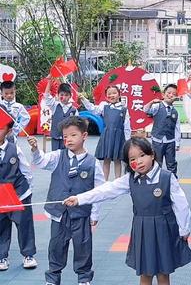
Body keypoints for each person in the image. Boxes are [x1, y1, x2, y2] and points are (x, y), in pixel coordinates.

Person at [64, 137, 191, 285]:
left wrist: (184, 228)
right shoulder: (130, 179)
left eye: (142, 156)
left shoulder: (167, 178)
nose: (138, 161)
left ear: (152, 155)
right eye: (132, 158)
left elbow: (181, 204)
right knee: (145, 272)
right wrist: (79, 199)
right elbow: (106, 190)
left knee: (163, 272)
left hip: (164, 229)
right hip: (142, 230)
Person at [27, 116, 104, 285]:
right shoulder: (57, 156)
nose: (68, 139)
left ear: (84, 136)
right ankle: (53, 277)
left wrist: (94, 214)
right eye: (65, 136)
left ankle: (84, 278)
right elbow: (41, 161)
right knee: (56, 245)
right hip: (59, 214)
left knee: (83, 247)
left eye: (73, 135)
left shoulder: (93, 163)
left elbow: (99, 192)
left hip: (81, 214)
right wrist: (34, 149)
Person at [0, 118, 37, 271]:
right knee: (1, 226)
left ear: (9, 131)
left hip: (18, 193)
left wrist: (27, 192)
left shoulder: (15, 149)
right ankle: (2, 256)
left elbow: (27, 171)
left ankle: (28, 255)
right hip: (1, 195)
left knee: (24, 225)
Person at [80, 85, 131, 180]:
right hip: (107, 136)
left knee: (117, 160)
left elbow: (127, 127)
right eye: (109, 94)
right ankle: (104, 181)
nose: (112, 95)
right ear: (106, 96)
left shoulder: (124, 109)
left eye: (114, 93)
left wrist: (127, 142)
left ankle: (117, 181)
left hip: (119, 137)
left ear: (119, 95)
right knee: (106, 160)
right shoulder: (104, 106)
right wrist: (84, 99)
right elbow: (93, 109)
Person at [143, 84, 181, 176]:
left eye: (174, 94)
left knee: (171, 163)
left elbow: (177, 128)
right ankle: (156, 180)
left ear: (176, 97)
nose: (171, 95)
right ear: (163, 95)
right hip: (157, 140)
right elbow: (146, 110)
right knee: (157, 162)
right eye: (169, 93)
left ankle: (172, 181)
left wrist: (178, 142)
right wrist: (152, 102)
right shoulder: (157, 106)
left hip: (170, 141)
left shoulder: (175, 112)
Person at [43, 78, 78, 151]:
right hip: (55, 137)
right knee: (55, 156)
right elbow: (46, 95)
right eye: (61, 95)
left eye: (66, 95)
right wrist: (49, 81)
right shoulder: (55, 106)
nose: (64, 97)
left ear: (70, 96)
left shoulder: (74, 110)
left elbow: (77, 125)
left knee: (66, 156)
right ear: (58, 95)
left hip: (68, 138)